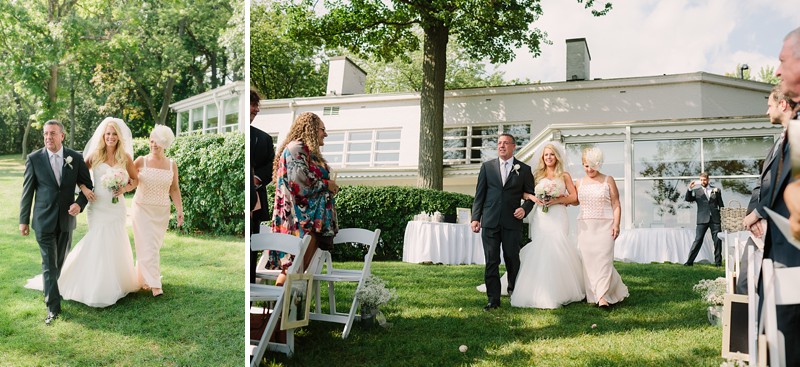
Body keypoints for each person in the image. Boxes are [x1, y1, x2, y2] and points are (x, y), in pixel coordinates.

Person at [55, 117, 140, 308]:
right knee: (98, 239)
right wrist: (85, 190)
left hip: (116, 206)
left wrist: (124, 189)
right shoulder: (95, 155)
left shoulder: (125, 157)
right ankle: (91, 283)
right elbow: (79, 176)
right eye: (108, 133)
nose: (110, 137)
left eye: (114, 134)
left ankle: (116, 282)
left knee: (115, 240)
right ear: (103, 135)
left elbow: (135, 180)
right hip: (98, 205)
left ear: (119, 137)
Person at [19, 120, 93, 324]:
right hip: (43, 220)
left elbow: (88, 186)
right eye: (45, 134)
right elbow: (27, 192)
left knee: (58, 263)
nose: (48, 137)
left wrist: (79, 204)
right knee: (49, 264)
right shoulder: (35, 159)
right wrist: (23, 220)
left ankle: (50, 289)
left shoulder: (75, 158)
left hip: (66, 220)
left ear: (62, 136)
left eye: (52, 133)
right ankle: (53, 306)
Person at [736, 84, 796, 294]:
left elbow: (786, 185)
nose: (767, 111)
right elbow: (762, 184)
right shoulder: (779, 142)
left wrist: (759, 213)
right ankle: (749, 326)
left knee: (780, 291)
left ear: (783, 104)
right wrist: (752, 217)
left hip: (782, 226)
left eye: (770, 105)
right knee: (745, 284)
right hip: (760, 226)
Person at [509, 142, 584, 309]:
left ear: (557, 156)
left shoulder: (564, 175)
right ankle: (539, 290)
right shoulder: (536, 175)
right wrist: (535, 198)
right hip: (542, 218)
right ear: (542, 158)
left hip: (558, 216)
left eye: (551, 154)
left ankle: (562, 290)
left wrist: (557, 200)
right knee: (541, 248)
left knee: (558, 246)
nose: (549, 157)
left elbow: (574, 198)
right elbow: (523, 192)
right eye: (546, 155)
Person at [271, 112, 339, 285]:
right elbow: (299, 182)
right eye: (323, 129)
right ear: (311, 129)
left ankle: (287, 311)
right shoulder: (296, 148)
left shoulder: (307, 152)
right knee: (293, 270)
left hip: (311, 222)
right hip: (299, 221)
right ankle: (276, 311)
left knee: (297, 272)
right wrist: (326, 184)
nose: (326, 134)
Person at [471, 134, 535, 311]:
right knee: (491, 260)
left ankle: (514, 293)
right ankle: (493, 299)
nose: (501, 146)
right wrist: (475, 218)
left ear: (513, 146)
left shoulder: (524, 169)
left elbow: (531, 195)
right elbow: (480, 195)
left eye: (506, 143)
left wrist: (525, 209)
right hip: (490, 221)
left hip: (512, 222)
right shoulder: (487, 167)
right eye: (499, 143)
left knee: (512, 259)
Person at [131, 125, 183, 297]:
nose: (153, 144)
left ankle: (142, 278)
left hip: (161, 212)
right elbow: (129, 179)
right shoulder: (141, 161)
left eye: (157, 141)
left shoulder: (171, 165)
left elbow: (174, 189)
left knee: (152, 246)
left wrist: (179, 210)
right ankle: (155, 285)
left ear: (165, 143)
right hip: (141, 208)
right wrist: (118, 186)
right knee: (148, 246)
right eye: (151, 140)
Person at [575, 147, 628, 307]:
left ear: (599, 164)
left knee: (604, 260)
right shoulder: (579, 182)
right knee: (589, 262)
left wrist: (616, 224)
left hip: (606, 225)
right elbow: (573, 200)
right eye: (586, 165)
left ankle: (603, 295)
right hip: (585, 227)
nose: (589, 169)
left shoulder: (608, 180)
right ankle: (594, 293)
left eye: (592, 165)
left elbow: (616, 203)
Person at [250, 90, 274, 283]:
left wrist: (256, 179)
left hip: (255, 201)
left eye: (257, 106)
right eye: (252, 104)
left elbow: (271, 166)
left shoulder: (264, 138)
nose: (256, 109)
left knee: (251, 247)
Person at [683, 172, 724, 267]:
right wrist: (690, 188)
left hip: (715, 219)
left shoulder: (716, 190)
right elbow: (688, 199)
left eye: (704, 180)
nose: (703, 181)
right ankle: (689, 262)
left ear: (708, 179)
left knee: (717, 241)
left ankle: (718, 263)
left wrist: (722, 217)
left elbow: (721, 205)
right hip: (702, 219)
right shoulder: (697, 191)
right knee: (698, 240)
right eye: (701, 180)